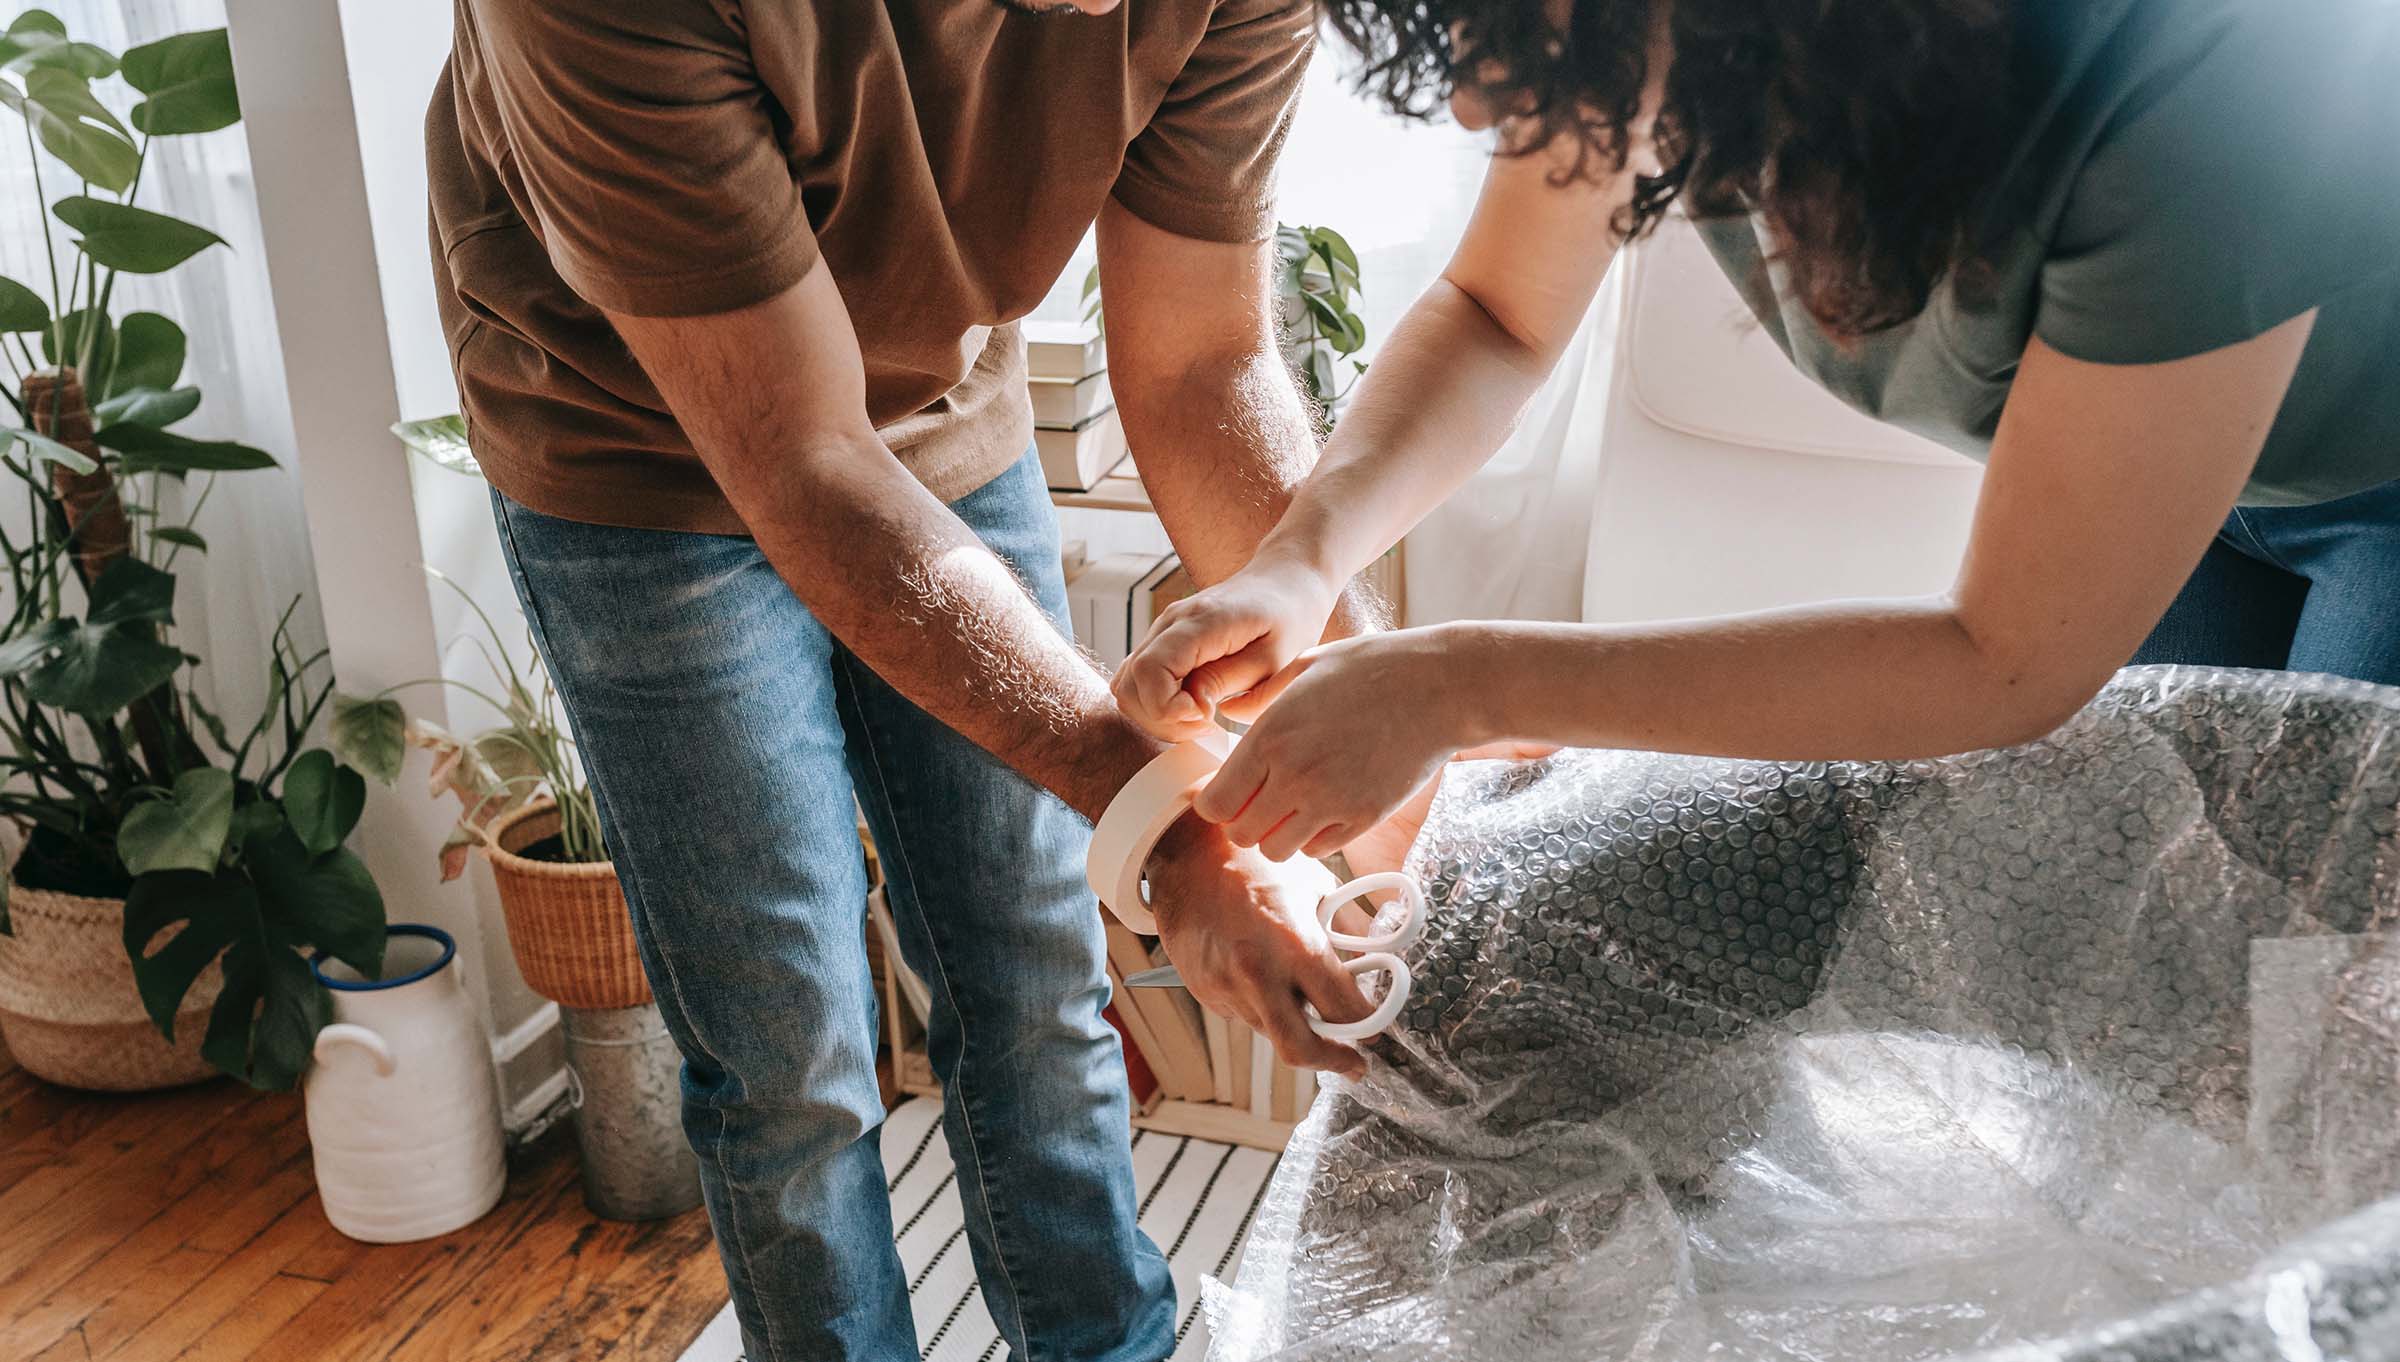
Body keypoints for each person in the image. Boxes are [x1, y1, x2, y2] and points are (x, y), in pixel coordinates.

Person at [424, 1, 1384, 1357]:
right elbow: (804, 458)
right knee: (789, 1052)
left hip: (939, 401)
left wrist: (1377, 729)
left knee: (1036, 963)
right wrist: (1167, 826)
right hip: (632, 455)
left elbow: (1200, 358)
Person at [1114, 0, 2400, 864]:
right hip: (2190, 501)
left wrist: (1460, 684)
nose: (1468, 104)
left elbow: (2004, 661)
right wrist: (1305, 553)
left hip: (2381, 479)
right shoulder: (1651, 40)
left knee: (2326, 992)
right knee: (2142, 924)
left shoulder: (2221, 69)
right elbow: (1500, 311)